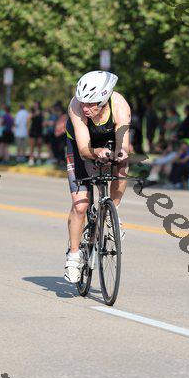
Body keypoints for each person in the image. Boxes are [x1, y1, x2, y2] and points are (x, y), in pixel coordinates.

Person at [64, 71, 131, 283]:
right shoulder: (76, 107)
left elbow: (124, 144)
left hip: (109, 139)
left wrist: (119, 154)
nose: (85, 108)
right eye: (83, 102)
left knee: (123, 162)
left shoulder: (120, 106)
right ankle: (74, 256)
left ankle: (113, 214)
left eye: (91, 103)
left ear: (104, 99)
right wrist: (97, 152)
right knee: (80, 205)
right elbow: (84, 150)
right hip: (79, 146)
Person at [28, 101, 44, 165]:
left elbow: (43, 121)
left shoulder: (41, 112)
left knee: (39, 145)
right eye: (35, 104)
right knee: (32, 145)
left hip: (39, 130)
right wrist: (35, 114)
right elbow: (28, 119)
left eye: (36, 104)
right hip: (33, 130)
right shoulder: (32, 112)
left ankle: (39, 159)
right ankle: (31, 159)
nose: (35, 105)